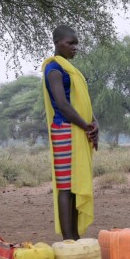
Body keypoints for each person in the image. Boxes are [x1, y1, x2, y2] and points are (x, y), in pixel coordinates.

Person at [41, 25, 98, 240]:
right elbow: (64, 105)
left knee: (75, 186)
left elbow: (82, 103)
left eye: (76, 44)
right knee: (66, 188)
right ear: (56, 43)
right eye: (70, 43)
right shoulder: (54, 69)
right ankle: (68, 239)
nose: (75, 48)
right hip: (65, 131)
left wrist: (94, 123)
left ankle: (74, 236)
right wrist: (86, 126)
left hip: (76, 129)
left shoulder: (69, 69)